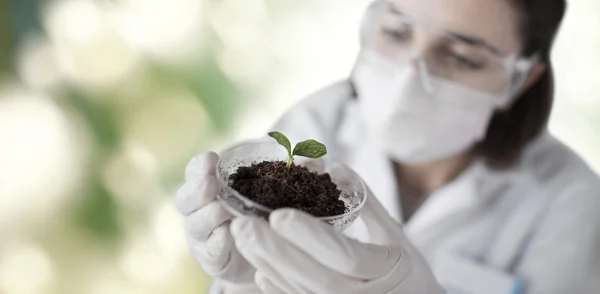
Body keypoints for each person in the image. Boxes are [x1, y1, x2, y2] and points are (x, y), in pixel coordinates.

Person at [175, 0, 600, 293]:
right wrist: (246, 280)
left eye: (463, 58)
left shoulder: (568, 198)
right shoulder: (317, 124)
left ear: (522, 79)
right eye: (397, 32)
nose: (408, 78)